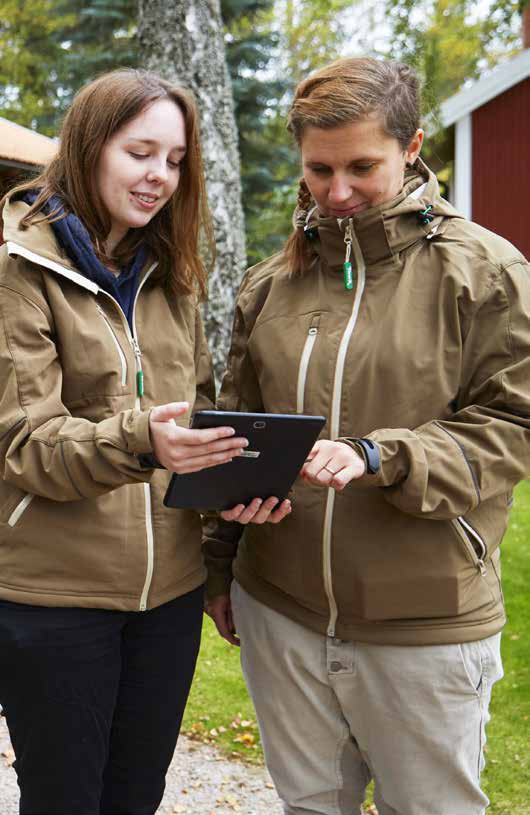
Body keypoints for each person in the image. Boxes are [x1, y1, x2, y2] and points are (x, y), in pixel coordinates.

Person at [204, 57, 530, 815]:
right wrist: (222, 565)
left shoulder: (485, 272)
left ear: (412, 145)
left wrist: (383, 454)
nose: (337, 191)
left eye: (361, 166)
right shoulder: (270, 283)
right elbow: (238, 427)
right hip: (280, 610)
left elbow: (514, 424)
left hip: (425, 626)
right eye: (319, 169)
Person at [0, 69, 248, 815]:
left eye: (174, 161)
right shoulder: (18, 270)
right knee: (67, 800)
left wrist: (223, 537)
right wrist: (143, 441)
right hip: (54, 598)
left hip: (167, 599)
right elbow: (26, 446)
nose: (159, 177)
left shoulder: (171, 276)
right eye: (141, 153)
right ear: (89, 146)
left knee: (135, 797)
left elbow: (198, 417)